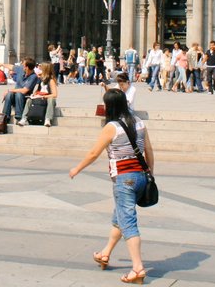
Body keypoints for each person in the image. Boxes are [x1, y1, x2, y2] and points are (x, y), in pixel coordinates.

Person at [69, 88, 154, 285]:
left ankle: (138, 268)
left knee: (128, 223)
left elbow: (93, 154)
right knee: (120, 217)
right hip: (142, 176)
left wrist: (76, 169)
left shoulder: (112, 127)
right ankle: (105, 253)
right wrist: (150, 172)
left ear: (109, 106)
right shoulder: (139, 122)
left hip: (125, 179)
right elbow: (148, 149)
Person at [20, 62, 59, 127]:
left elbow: (55, 94)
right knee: (29, 99)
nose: (39, 70)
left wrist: (44, 96)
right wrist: (34, 95)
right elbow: (37, 90)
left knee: (51, 100)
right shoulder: (40, 79)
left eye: (41, 69)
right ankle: (24, 118)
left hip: (46, 97)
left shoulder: (51, 80)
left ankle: (48, 119)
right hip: (40, 96)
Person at [2, 58, 37, 125]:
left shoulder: (33, 77)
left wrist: (10, 90)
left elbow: (24, 90)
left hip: (24, 98)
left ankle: (19, 117)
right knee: (9, 94)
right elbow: (11, 66)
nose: (22, 66)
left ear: (27, 67)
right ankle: (5, 117)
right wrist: (2, 64)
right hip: (15, 96)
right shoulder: (21, 69)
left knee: (18, 93)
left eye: (23, 65)